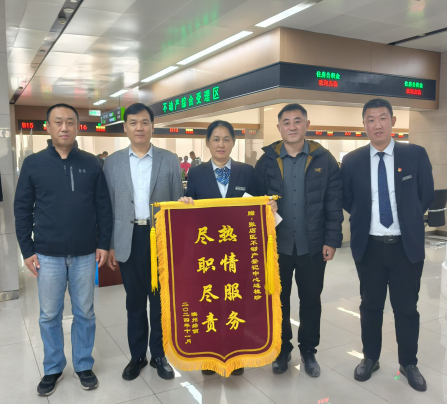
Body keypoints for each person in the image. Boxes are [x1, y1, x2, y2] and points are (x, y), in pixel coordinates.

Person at [14, 103, 112, 396]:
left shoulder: (91, 163)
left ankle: (83, 364)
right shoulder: (33, 164)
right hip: (47, 254)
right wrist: (27, 250)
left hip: (85, 253)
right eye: (58, 122)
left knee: (85, 312)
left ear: (78, 126)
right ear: (48, 127)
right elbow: (22, 209)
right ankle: (53, 368)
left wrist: (103, 243)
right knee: (49, 314)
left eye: (70, 121)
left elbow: (103, 206)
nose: (64, 127)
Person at [342, 98, 434, 392]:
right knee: (370, 305)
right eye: (370, 119)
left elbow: (426, 195)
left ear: (393, 121)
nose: (377, 124)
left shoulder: (415, 154)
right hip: (369, 247)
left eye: (382, 118)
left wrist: (407, 218)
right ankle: (370, 358)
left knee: (406, 307)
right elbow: (348, 200)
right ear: (364, 125)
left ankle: (409, 363)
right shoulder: (352, 161)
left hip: (406, 247)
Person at [252, 103, 343, 377]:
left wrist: (332, 240)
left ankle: (308, 350)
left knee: (311, 300)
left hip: (312, 246)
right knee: (278, 300)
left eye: (297, 121)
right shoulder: (266, 161)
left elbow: (333, 204)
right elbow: (253, 202)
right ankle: (282, 349)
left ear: (307, 124)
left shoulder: (324, 160)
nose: (292, 127)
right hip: (276, 247)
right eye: (286, 122)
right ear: (279, 128)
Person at [179, 120, 270, 376]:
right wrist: (185, 204)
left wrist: (269, 206)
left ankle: (236, 356)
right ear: (207, 143)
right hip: (206, 253)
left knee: (235, 302)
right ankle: (209, 357)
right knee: (208, 303)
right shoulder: (196, 173)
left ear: (233, 142)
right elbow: (190, 210)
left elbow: (258, 204)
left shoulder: (247, 172)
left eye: (226, 139)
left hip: (238, 253)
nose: (221, 144)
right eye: (216, 139)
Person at [103, 103, 183, 381]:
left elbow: (176, 204)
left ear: (152, 126)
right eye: (134, 123)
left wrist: (176, 244)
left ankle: (159, 354)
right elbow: (107, 207)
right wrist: (110, 244)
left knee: (160, 301)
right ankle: (137, 355)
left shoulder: (169, 159)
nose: (139, 128)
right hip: (127, 238)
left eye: (145, 122)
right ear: (125, 127)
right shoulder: (112, 162)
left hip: (159, 238)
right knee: (134, 301)